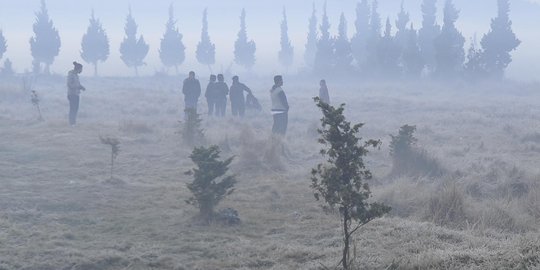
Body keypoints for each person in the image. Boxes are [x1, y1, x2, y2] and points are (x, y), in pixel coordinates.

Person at [66, 61, 86, 126]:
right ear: (78, 69)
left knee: (75, 109)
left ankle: (73, 122)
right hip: (72, 94)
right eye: (81, 69)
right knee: (73, 108)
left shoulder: (76, 75)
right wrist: (77, 87)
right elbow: (69, 84)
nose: (81, 71)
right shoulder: (71, 74)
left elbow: (77, 84)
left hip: (76, 94)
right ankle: (71, 123)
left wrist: (81, 87)